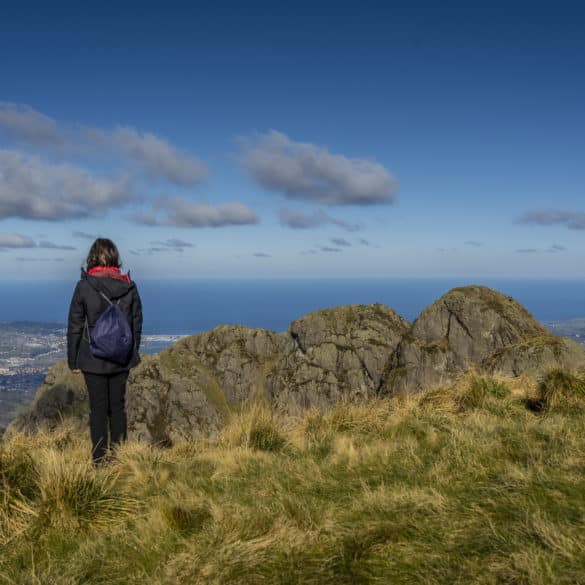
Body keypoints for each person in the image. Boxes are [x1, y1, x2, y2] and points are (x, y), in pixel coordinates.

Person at [67, 238, 143, 466]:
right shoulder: (129, 286)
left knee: (98, 410)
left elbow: (75, 325)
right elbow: (136, 323)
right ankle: (119, 458)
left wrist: (73, 360)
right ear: (115, 258)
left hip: (92, 359)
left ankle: (99, 462)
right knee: (117, 408)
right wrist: (132, 352)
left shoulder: (84, 286)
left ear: (92, 258)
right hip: (121, 358)